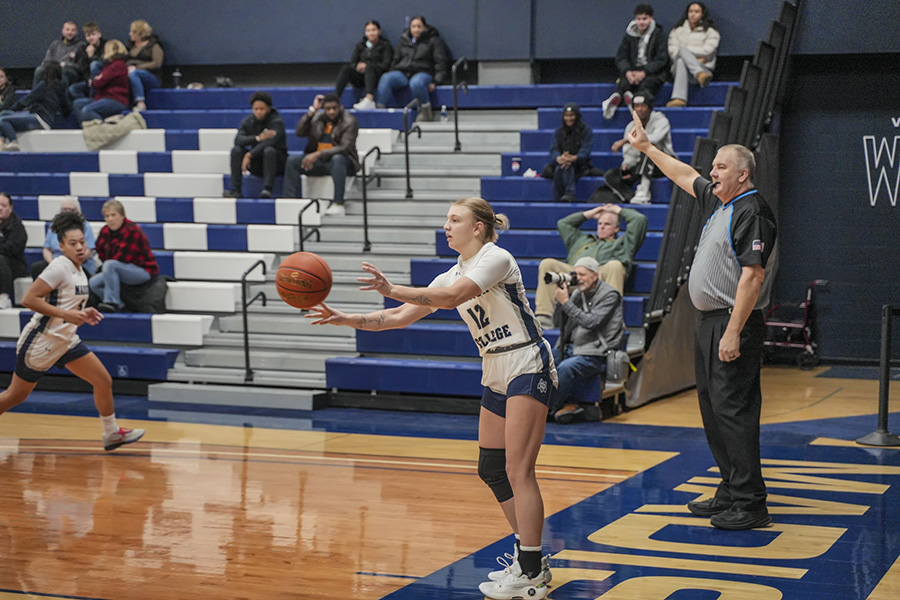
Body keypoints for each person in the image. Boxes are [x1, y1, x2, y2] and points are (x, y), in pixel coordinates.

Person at [308, 197, 556, 599]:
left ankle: (532, 572)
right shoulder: (449, 274)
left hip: (526, 361)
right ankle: (529, 557)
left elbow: (453, 298)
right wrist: (344, 318)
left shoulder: (496, 257)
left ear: (478, 227)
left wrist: (391, 287)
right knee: (491, 468)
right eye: (446, 219)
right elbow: (395, 318)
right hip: (494, 367)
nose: (447, 225)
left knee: (518, 469)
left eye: (455, 219)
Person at [627, 111, 777, 530]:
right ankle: (730, 489)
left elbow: (753, 275)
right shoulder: (722, 201)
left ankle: (750, 503)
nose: (712, 173)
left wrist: (732, 331)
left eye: (721, 167)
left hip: (733, 323)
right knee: (714, 409)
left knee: (734, 411)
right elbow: (683, 174)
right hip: (710, 321)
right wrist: (646, 148)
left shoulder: (752, 211)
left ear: (743, 174)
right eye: (713, 167)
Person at [0, 211, 145, 451]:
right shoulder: (59, 267)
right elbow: (29, 299)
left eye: (82, 242)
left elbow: (66, 302)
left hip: (66, 340)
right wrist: (68, 315)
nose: (79, 247)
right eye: (72, 243)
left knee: (103, 380)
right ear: (61, 246)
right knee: (15, 396)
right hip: (42, 341)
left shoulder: (79, 269)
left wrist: (84, 311)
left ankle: (111, 433)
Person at [535, 203, 648, 324]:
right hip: (575, 276)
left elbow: (639, 220)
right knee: (547, 264)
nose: (602, 227)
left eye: (607, 224)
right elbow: (563, 224)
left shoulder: (623, 244)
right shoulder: (581, 240)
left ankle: (611, 318)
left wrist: (617, 210)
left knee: (615, 265)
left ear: (616, 228)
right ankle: (544, 317)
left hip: (601, 278)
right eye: (600, 223)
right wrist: (592, 213)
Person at [550, 256, 624, 423]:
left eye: (582, 274)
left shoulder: (610, 295)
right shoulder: (576, 293)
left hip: (597, 353)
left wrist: (567, 302)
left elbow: (592, 322)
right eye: (576, 274)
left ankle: (549, 410)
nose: (578, 279)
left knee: (566, 368)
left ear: (595, 276)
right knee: (540, 360)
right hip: (572, 348)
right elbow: (557, 323)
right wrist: (560, 301)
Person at [282, 93, 360, 216]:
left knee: (338, 158)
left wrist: (317, 154)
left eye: (334, 108)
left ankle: (338, 204)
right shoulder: (318, 117)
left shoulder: (349, 121)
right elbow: (299, 132)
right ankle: (289, 203)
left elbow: (344, 148)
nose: (331, 112)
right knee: (292, 161)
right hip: (321, 162)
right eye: (328, 109)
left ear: (340, 107)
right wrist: (312, 111)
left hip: (344, 164)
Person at [601, 4, 668, 120]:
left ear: (651, 18)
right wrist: (627, 71)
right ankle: (616, 99)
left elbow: (662, 59)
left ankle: (635, 103)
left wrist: (645, 72)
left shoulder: (659, 35)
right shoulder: (629, 35)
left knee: (647, 85)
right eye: (639, 19)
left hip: (651, 73)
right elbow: (621, 57)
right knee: (624, 82)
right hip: (632, 70)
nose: (641, 22)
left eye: (644, 19)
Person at [376, 15, 449, 122]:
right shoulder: (404, 39)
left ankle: (426, 113)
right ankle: (379, 112)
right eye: (413, 26)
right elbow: (396, 58)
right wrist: (392, 71)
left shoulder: (434, 40)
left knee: (416, 83)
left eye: (419, 26)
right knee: (386, 78)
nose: (416, 29)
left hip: (423, 72)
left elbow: (440, 62)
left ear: (425, 28)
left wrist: (436, 81)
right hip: (403, 72)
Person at [91, 199, 158, 313]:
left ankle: (112, 301)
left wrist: (108, 266)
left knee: (110, 265)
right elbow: (100, 250)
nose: (110, 219)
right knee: (93, 283)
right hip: (118, 267)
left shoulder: (132, 230)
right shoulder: (105, 231)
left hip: (142, 270)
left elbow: (122, 257)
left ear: (122, 216)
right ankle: (121, 306)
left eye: (113, 215)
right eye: (107, 216)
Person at [604, 94, 674, 204]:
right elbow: (628, 151)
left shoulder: (661, 120)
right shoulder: (631, 126)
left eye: (643, 106)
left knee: (649, 149)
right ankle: (631, 198)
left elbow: (654, 139)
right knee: (610, 175)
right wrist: (627, 163)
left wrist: (626, 140)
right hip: (640, 164)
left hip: (664, 162)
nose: (639, 109)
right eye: (636, 106)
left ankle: (644, 191)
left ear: (650, 108)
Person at [225, 91, 288, 199]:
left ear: (268, 108)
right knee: (236, 150)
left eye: (262, 109)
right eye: (256, 109)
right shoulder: (248, 121)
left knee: (269, 150)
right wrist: (257, 138)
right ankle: (236, 189)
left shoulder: (277, 122)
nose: (258, 112)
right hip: (257, 163)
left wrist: (250, 154)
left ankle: (268, 189)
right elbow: (238, 140)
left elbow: (271, 141)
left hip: (277, 163)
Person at [0, 62, 71, 152]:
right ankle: (1, 141)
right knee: (4, 113)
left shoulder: (44, 85)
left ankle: (14, 142)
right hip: (45, 119)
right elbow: (67, 107)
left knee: (4, 119)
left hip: (40, 119)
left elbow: (26, 101)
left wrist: (13, 109)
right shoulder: (61, 87)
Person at [667, 2, 720, 107]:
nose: (693, 14)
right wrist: (693, 59)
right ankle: (699, 74)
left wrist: (688, 56)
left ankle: (679, 98)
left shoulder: (710, 31)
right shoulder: (677, 30)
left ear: (702, 14)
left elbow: (708, 50)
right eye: (690, 11)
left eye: (696, 12)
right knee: (681, 55)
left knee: (682, 57)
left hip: (705, 68)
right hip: (679, 71)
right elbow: (673, 51)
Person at [31, 197, 98, 279]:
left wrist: (70, 262)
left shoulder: (85, 226)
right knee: (37, 267)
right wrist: (53, 263)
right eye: (64, 210)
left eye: (70, 210)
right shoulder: (54, 226)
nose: (66, 212)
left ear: (77, 211)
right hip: (56, 262)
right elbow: (46, 249)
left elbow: (88, 251)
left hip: (78, 262)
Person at [336, 20, 394, 111]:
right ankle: (336, 99)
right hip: (361, 78)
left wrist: (368, 66)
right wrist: (357, 66)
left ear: (379, 31)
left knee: (370, 66)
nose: (371, 33)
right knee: (346, 69)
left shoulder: (386, 45)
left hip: (376, 78)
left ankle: (369, 99)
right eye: (368, 30)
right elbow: (353, 62)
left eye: (373, 30)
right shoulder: (360, 45)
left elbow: (387, 65)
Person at [541, 103, 594, 203]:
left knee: (564, 168)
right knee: (561, 168)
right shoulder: (558, 132)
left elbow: (586, 150)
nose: (569, 118)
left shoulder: (586, 130)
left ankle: (567, 195)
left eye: (571, 115)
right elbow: (553, 150)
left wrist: (574, 158)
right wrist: (559, 158)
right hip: (561, 163)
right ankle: (567, 195)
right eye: (566, 115)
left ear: (577, 116)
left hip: (580, 165)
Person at [73, 40, 130, 123]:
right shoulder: (109, 65)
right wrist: (97, 79)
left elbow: (99, 83)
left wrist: (95, 81)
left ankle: (104, 130)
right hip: (103, 97)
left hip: (116, 100)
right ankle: (87, 129)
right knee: (77, 104)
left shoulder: (117, 65)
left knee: (87, 110)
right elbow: (99, 80)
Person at [33, 20, 87, 86]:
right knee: (40, 70)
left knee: (64, 70)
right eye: (67, 30)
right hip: (54, 69)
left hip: (71, 71)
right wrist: (56, 66)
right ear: (63, 31)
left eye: (73, 30)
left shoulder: (81, 45)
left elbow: (81, 66)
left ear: (76, 32)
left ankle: (62, 95)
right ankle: (36, 94)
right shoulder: (55, 44)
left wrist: (66, 64)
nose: (70, 32)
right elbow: (47, 60)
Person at [125, 20, 164, 112]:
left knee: (134, 73)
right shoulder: (129, 46)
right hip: (130, 72)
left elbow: (156, 63)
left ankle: (140, 102)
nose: (130, 34)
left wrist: (137, 68)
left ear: (139, 33)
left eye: (132, 32)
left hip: (151, 77)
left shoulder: (154, 45)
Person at [0, 192, 27, 309]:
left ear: (10, 208)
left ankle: (4, 297)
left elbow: (12, 249)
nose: (0, 208)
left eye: (3, 206)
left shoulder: (17, 227)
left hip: (15, 264)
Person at [68, 22, 108, 100]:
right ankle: (85, 104)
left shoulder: (106, 45)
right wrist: (88, 79)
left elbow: (105, 63)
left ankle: (93, 100)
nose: (91, 38)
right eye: (88, 35)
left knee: (94, 64)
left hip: (104, 79)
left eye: (93, 34)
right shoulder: (84, 48)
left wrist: (91, 56)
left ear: (99, 34)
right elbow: (83, 68)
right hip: (90, 80)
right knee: (73, 88)